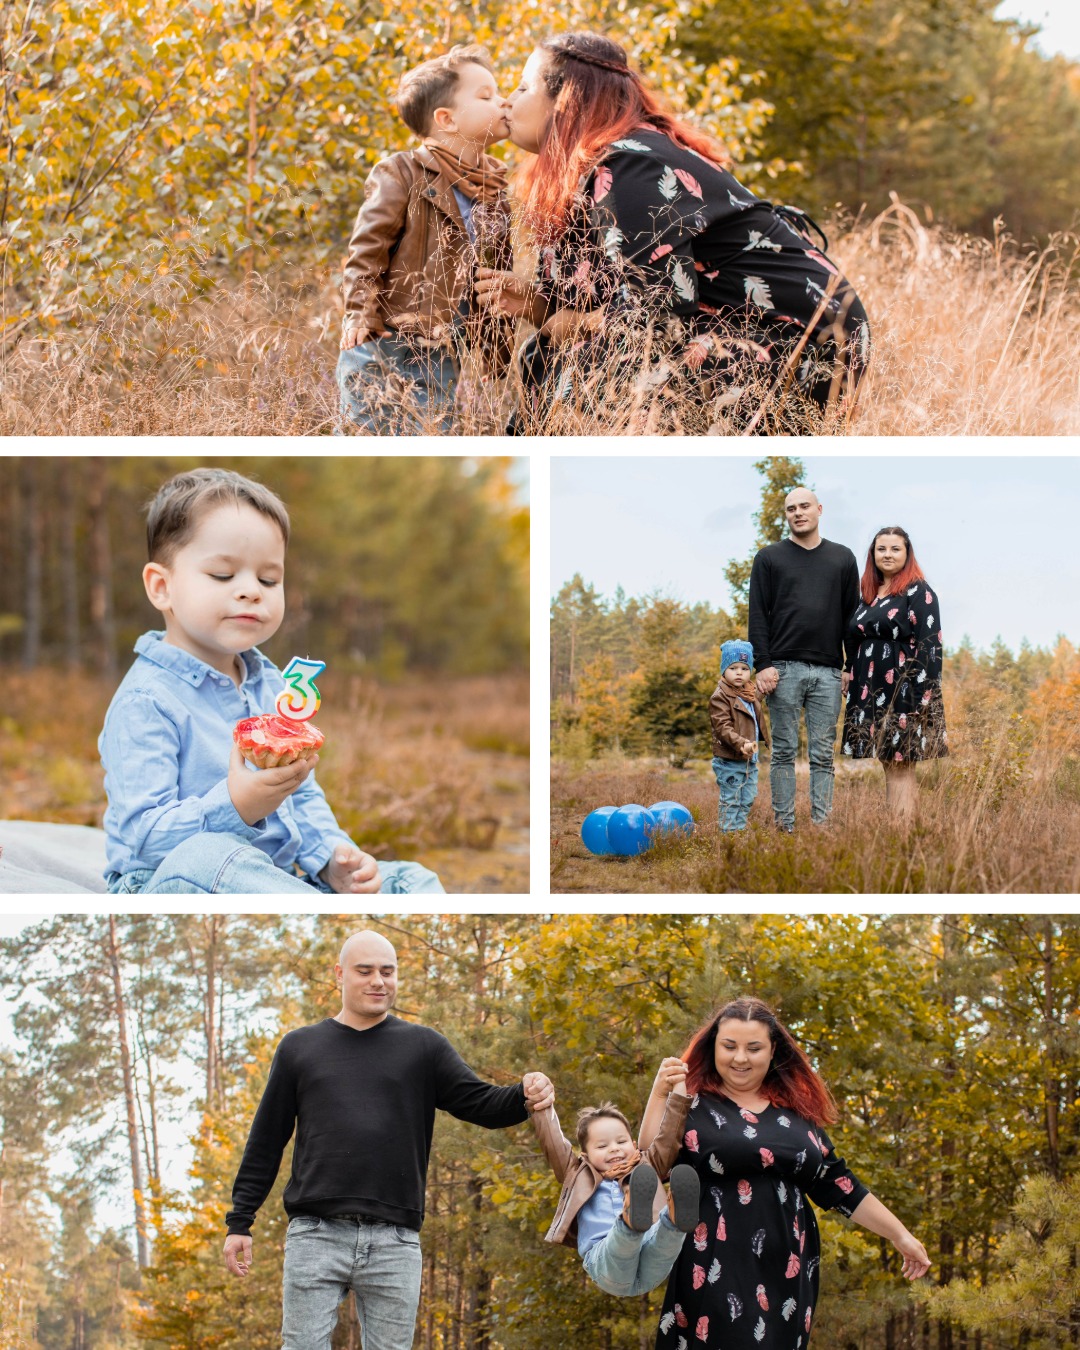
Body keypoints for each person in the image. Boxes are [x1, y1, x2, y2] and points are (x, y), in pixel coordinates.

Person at [475, 32, 870, 434]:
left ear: (567, 100)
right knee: (544, 357)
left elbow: (656, 320)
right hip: (740, 331)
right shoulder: (601, 165)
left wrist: (572, 325)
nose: (508, 101)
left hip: (802, 341)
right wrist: (538, 308)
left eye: (523, 87)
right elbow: (599, 308)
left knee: (581, 371)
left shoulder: (628, 165)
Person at [98, 468, 444, 894]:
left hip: (275, 879)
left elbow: (302, 794)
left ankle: (315, 900)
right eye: (223, 575)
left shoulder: (273, 686)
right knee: (214, 857)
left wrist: (331, 859)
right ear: (161, 587)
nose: (252, 591)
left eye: (268, 579)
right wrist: (237, 805)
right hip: (168, 879)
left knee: (411, 881)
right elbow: (147, 837)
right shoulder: (147, 700)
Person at [223, 931, 554, 1350]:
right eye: (365, 971)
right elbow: (266, 1139)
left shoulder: (424, 1047)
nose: (378, 981)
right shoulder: (299, 1048)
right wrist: (240, 1221)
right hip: (316, 1234)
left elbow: (482, 1104)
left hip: (395, 1241)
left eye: (387, 971)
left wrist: (525, 1092)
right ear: (340, 974)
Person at [641, 999, 930, 1350]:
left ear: (773, 1050)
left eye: (754, 1048)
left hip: (787, 1268)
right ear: (713, 1046)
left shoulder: (797, 1114)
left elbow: (841, 1185)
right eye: (729, 1046)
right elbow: (652, 1159)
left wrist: (900, 1235)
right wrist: (660, 1093)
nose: (740, 1058)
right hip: (715, 1258)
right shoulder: (695, 1106)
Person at [337, 45, 514, 433]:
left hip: (442, 350)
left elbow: (496, 277)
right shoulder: (402, 172)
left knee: (433, 430)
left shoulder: (493, 190)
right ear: (446, 119)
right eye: (486, 96)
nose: (503, 102)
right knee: (367, 431)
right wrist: (360, 313)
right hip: (384, 339)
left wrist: (495, 348)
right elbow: (367, 249)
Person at [531, 1061, 700, 1297]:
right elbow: (552, 1141)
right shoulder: (576, 1172)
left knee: (664, 1240)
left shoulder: (648, 1164)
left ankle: (674, 1218)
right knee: (621, 1243)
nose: (614, 1149)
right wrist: (540, 1103)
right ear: (586, 1155)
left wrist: (679, 1088)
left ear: (633, 1144)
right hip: (604, 1262)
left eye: (621, 1142)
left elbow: (670, 1134)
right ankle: (631, 1221)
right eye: (602, 1146)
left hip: (652, 1261)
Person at [748, 488, 860, 833]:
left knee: (823, 755)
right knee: (783, 752)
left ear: (819, 509)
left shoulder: (842, 558)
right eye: (791, 508)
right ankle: (784, 827)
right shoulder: (769, 558)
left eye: (804, 506)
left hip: (829, 672)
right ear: (786, 515)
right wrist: (763, 664)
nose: (798, 513)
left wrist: (850, 667)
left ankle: (821, 828)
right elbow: (757, 615)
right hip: (781, 669)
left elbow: (851, 617)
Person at [842, 526, 948, 821]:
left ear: (907, 553)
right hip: (870, 687)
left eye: (895, 549)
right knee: (888, 760)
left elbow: (930, 646)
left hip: (905, 690)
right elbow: (853, 637)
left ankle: (903, 831)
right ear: (873, 554)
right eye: (881, 549)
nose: (887, 554)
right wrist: (849, 670)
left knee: (901, 763)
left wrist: (921, 697)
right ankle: (896, 828)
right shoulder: (869, 594)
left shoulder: (919, 591)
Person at [709, 638, 770, 833]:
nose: (739, 673)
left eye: (744, 668)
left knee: (747, 798)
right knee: (732, 799)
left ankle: (738, 831)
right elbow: (723, 727)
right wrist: (741, 743)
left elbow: (755, 710)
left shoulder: (749, 693)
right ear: (724, 670)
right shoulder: (720, 696)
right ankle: (728, 835)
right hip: (730, 759)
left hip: (749, 759)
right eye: (733, 668)